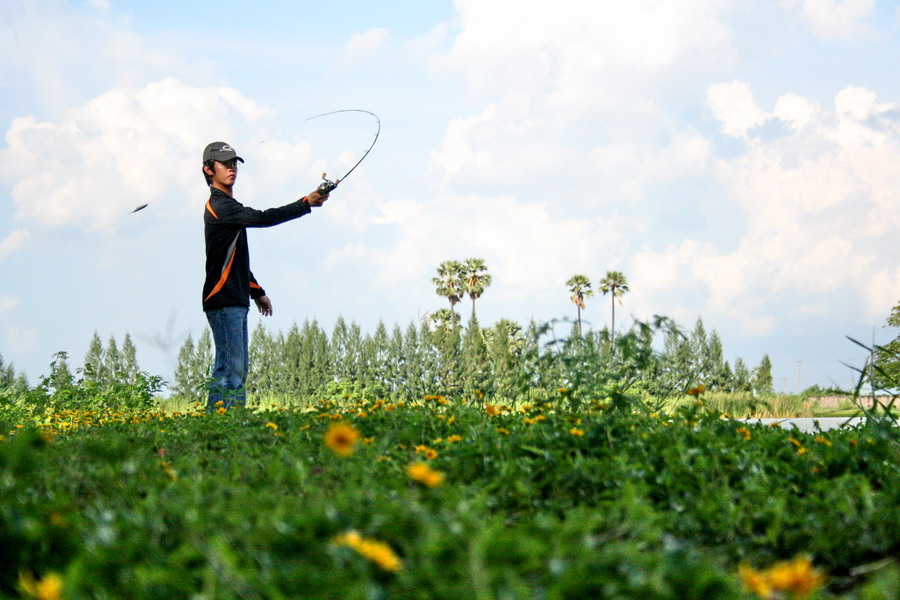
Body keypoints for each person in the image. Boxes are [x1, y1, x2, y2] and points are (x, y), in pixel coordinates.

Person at [201, 141, 329, 411]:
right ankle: (215, 429)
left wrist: (257, 292)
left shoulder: (228, 207)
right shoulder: (219, 206)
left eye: (234, 163)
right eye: (224, 164)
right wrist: (305, 203)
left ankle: (234, 428)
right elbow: (262, 218)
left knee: (238, 372)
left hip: (235, 299)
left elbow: (236, 261)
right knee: (228, 372)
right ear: (209, 170)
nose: (231, 168)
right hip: (223, 300)